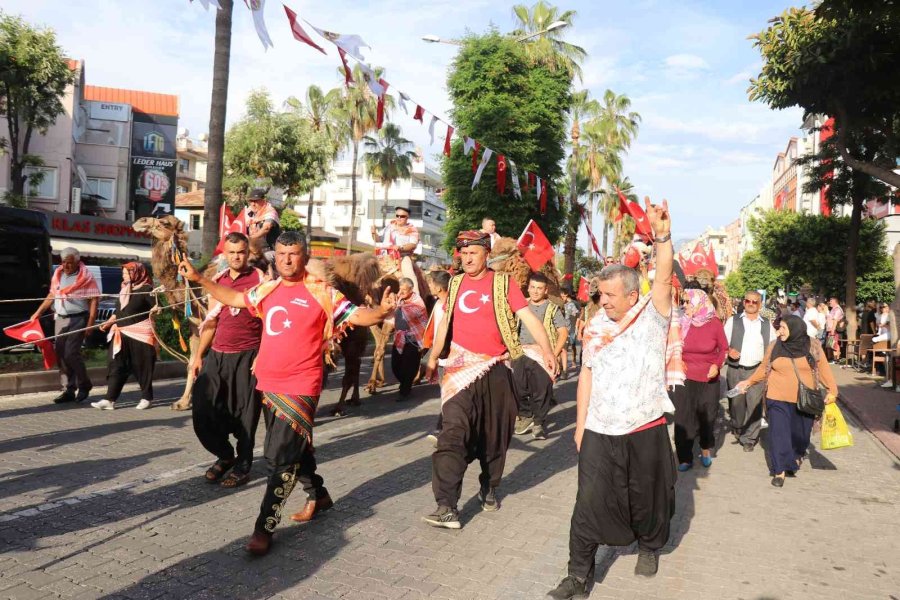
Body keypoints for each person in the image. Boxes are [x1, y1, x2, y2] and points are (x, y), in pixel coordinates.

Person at [178, 231, 396, 555]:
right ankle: (318, 496)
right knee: (295, 447)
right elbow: (235, 299)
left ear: (305, 257)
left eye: (293, 254)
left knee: (278, 457)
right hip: (267, 383)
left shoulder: (322, 291)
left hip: (301, 386)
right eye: (281, 255)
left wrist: (380, 313)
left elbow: (355, 315)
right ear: (274, 257)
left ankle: (263, 528)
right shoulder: (267, 288)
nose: (286, 260)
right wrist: (198, 278)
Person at [549, 199, 678, 599]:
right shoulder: (593, 327)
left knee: (646, 496)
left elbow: (662, 276)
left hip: (644, 425)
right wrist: (580, 425)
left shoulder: (652, 314)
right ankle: (577, 574)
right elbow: (587, 374)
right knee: (587, 500)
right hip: (600, 428)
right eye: (599, 294)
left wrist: (662, 238)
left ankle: (650, 545)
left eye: (608, 294)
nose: (602, 300)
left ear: (630, 294)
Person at [422, 230, 557, 529]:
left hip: (496, 369)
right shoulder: (455, 283)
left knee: (494, 439)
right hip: (460, 367)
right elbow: (445, 324)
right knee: (452, 434)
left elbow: (529, 319)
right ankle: (446, 505)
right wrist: (433, 356)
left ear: (486, 254)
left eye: (473, 252)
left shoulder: (502, 283)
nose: (467, 258)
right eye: (463, 253)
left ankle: (490, 485)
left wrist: (548, 352)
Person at [190, 232, 265, 488]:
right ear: (225, 254)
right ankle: (225, 455)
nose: (236, 257)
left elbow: (270, 323)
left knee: (246, 415)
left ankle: (243, 464)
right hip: (218, 356)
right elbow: (211, 322)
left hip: (249, 357)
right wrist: (198, 356)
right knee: (203, 410)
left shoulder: (261, 279)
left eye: (241, 252)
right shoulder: (217, 280)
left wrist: (264, 355)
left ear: (248, 253)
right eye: (231, 252)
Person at [737, 315, 838, 487]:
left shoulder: (812, 345)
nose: (779, 331)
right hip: (776, 397)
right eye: (779, 327)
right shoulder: (775, 346)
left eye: (783, 328)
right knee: (778, 434)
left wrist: (832, 390)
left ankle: (796, 455)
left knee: (800, 436)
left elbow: (823, 369)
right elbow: (764, 368)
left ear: (795, 329)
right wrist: (749, 381)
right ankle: (779, 470)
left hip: (804, 400)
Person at [30, 247, 99, 404]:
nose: (66, 266)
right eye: (63, 262)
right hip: (60, 318)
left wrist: (90, 323)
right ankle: (68, 389)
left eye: (69, 262)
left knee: (71, 353)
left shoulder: (86, 276)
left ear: (76, 261)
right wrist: (38, 312)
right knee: (60, 355)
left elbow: (94, 299)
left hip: (78, 318)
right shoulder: (58, 274)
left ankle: (84, 385)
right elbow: (52, 294)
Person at [672, 288, 727, 471]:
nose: (685, 306)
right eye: (684, 302)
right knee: (683, 417)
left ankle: (705, 448)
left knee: (707, 417)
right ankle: (685, 457)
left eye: (688, 302)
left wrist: (716, 365)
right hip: (685, 378)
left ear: (699, 304)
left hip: (708, 378)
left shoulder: (714, 323)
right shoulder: (681, 322)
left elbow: (723, 349)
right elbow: (672, 347)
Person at [92, 263, 157, 411]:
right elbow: (119, 311)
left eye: (127, 273)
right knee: (116, 364)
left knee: (142, 366)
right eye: (124, 273)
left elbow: (156, 308)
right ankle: (110, 400)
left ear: (138, 273)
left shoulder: (147, 290)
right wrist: (108, 323)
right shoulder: (124, 289)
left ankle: (146, 397)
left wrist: (156, 309)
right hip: (121, 332)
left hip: (140, 334)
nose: (124, 276)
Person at [513, 273, 567, 440]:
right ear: (528, 287)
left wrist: (553, 354)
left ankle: (539, 424)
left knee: (541, 391)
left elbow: (563, 333)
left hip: (544, 354)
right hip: (521, 352)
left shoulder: (552, 308)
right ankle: (526, 415)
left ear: (546, 290)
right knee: (517, 387)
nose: (536, 291)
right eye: (533, 287)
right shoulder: (520, 306)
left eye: (540, 288)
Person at [724, 291, 776, 452]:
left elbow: (773, 346)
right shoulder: (733, 321)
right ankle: (738, 427)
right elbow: (722, 342)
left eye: (755, 302)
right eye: (748, 301)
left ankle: (750, 438)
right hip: (735, 369)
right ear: (744, 302)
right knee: (736, 403)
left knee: (754, 404)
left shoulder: (767, 324)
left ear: (760, 305)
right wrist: (729, 351)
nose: (751, 304)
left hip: (757, 371)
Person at [371, 206, 427, 296]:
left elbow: (413, 244)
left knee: (409, 274)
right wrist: (374, 233)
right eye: (397, 216)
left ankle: (415, 298)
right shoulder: (389, 227)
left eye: (402, 216)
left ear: (407, 217)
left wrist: (400, 248)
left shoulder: (412, 229)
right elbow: (377, 239)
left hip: (401, 257)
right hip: (384, 258)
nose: (399, 218)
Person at [423, 269, 451, 445]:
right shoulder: (438, 304)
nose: (429, 287)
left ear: (439, 287)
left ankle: (443, 430)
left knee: (449, 396)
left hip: (449, 358)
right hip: (442, 357)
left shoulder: (448, 305)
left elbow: (445, 333)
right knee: (447, 395)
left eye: (431, 284)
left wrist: (432, 358)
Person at [392, 277, 428, 399]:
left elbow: (414, 313)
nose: (401, 292)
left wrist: (400, 306)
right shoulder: (399, 300)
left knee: (409, 366)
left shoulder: (418, 301)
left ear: (411, 289)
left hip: (413, 339)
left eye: (404, 289)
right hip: (399, 338)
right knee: (395, 365)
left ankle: (405, 390)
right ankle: (404, 383)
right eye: (400, 289)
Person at [246, 189, 281, 264]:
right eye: (251, 201)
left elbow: (266, 228)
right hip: (252, 250)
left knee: (254, 264)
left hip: (269, 251)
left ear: (263, 200)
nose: (253, 204)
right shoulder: (249, 213)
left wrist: (250, 239)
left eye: (256, 201)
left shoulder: (270, 212)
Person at [559, 287, 580, 376]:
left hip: (571, 328)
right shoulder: (565, 304)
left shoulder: (571, 304)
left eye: (562, 295)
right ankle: (563, 367)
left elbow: (577, 314)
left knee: (573, 345)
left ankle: (574, 361)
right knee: (565, 347)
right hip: (565, 328)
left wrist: (577, 326)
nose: (561, 297)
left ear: (566, 294)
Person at [825, 297, 845, 363]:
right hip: (831, 330)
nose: (829, 302)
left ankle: (836, 359)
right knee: (831, 344)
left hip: (834, 330)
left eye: (831, 301)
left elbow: (835, 321)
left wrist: (832, 331)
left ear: (835, 302)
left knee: (834, 344)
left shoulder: (837, 309)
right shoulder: (833, 309)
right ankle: (832, 358)